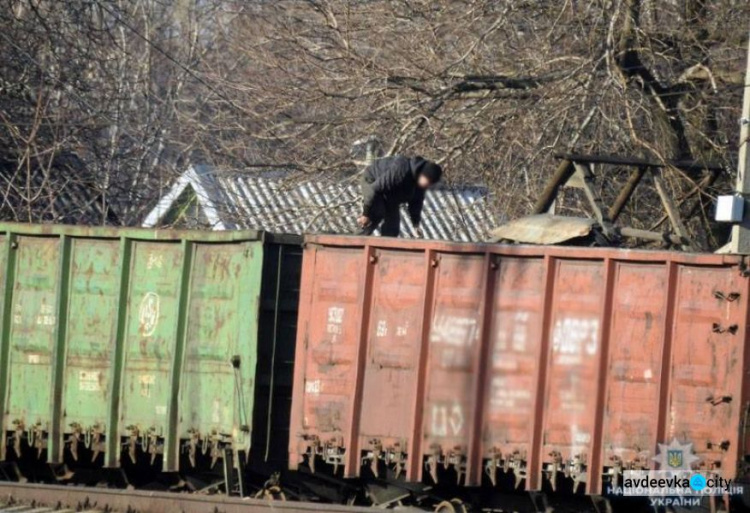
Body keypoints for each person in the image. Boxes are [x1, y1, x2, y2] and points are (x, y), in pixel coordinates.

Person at [357, 155, 442, 237]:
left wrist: (415, 224)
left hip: (390, 194)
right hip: (373, 180)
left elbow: (416, 203)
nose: (427, 185)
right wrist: (366, 213)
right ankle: (353, 243)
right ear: (422, 174)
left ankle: (386, 248)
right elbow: (374, 189)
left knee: (393, 227)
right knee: (376, 213)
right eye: (427, 180)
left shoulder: (420, 186)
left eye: (430, 183)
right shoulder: (402, 169)